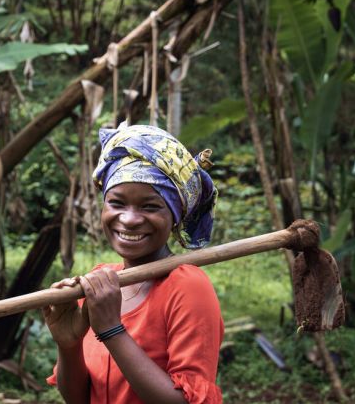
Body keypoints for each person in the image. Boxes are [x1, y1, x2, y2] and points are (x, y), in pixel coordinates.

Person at [43, 124, 224, 404]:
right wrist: (68, 345)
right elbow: (79, 398)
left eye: (150, 206)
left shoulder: (187, 287)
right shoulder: (100, 282)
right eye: (116, 203)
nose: (128, 219)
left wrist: (111, 330)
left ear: (175, 216)